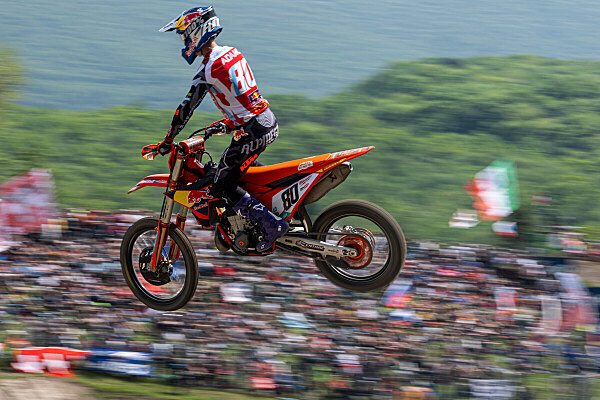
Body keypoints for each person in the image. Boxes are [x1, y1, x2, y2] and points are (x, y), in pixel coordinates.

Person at [156, 6, 288, 252]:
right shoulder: (233, 52)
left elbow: (185, 109)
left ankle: (272, 225)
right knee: (240, 173)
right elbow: (244, 96)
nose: (184, 42)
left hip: (252, 130)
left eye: (185, 36)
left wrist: (167, 139)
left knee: (220, 186)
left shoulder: (207, 70)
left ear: (197, 32)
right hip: (266, 120)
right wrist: (226, 123)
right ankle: (259, 216)